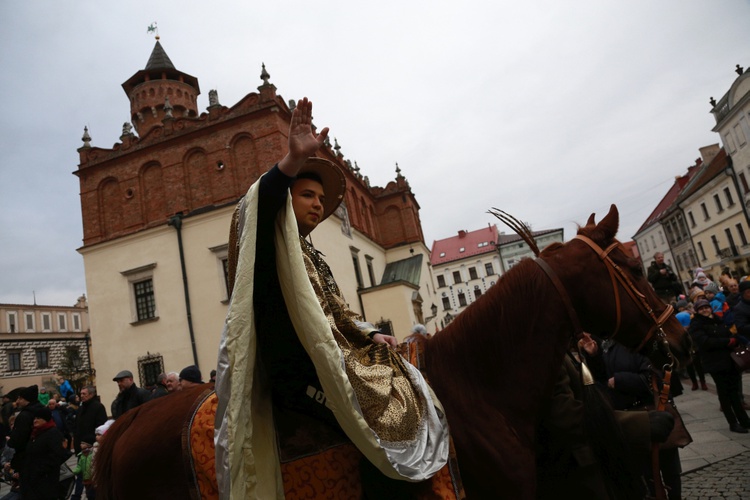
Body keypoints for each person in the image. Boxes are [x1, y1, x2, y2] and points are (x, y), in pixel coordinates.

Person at [214, 97, 449, 498]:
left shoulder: (308, 254)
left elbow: (336, 309)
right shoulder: (266, 235)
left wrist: (372, 332)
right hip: (296, 368)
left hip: (331, 355)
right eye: (308, 195)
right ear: (286, 199)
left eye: (321, 200)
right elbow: (257, 205)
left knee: (399, 374)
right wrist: (291, 160)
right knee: (374, 421)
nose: (318, 204)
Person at [689, 299, 750, 433]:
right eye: (701, 308)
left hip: (729, 361)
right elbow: (705, 342)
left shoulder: (718, 319)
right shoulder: (696, 324)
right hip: (715, 363)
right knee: (724, 393)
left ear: (710, 308)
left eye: (706, 307)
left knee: (735, 391)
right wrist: (727, 341)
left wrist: (734, 338)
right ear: (697, 311)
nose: (705, 310)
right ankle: (732, 423)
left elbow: (729, 334)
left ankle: (744, 420)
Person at [21, 406, 70, 500]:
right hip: (34, 479)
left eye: (38, 418)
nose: (35, 420)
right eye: (34, 418)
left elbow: (57, 455)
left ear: (46, 419)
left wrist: (41, 470)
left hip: (46, 480)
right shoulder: (35, 434)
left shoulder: (52, 433)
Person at [70, 435, 96, 500]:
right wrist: (73, 472)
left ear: (88, 445)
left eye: (83, 443)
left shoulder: (93, 454)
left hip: (93, 479)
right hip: (86, 479)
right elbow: (79, 466)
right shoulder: (81, 455)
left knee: (93, 495)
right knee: (89, 495)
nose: (81, 444)